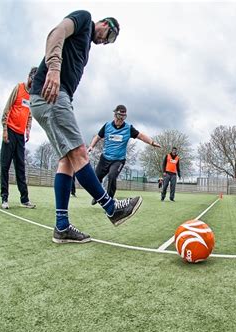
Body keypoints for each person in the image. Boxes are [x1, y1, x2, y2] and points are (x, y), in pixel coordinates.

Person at [30, 10, 144, 244]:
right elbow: (57, 32)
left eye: (110, 41)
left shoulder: (86, 47)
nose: (105, 41)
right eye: (108, 35)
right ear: (103, 23)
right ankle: (112, 208)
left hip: (55, 99)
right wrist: (53, 67)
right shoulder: (84, 18)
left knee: (67, 161)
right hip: (52, 96)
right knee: (79, 153)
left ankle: (62, 227)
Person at [88, 104, 161, 204]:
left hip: (118, 160)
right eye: (119, 116)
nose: (121, 119)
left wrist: (152, 142)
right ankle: (97, 196)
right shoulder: (107, 126)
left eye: (123, 117)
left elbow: (141, 136)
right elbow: (97, 137)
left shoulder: (128, 128)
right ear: (115, 115)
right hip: (105, 158)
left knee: (112, 176)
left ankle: (108, 202)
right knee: (96, 178)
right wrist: (91, 146)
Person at [0, 67, 38, 210]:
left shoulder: (32, 96)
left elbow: (29, 114)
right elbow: (7, 107)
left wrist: (28, 129)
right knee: (5, 165)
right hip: (9, 131)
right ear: (29, 77)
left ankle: (24, 199)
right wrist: (4, 128)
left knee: (20, 167)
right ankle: (4, 197)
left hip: (20, 135)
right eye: (32, 81)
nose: (32, 85)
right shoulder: (18, 88)